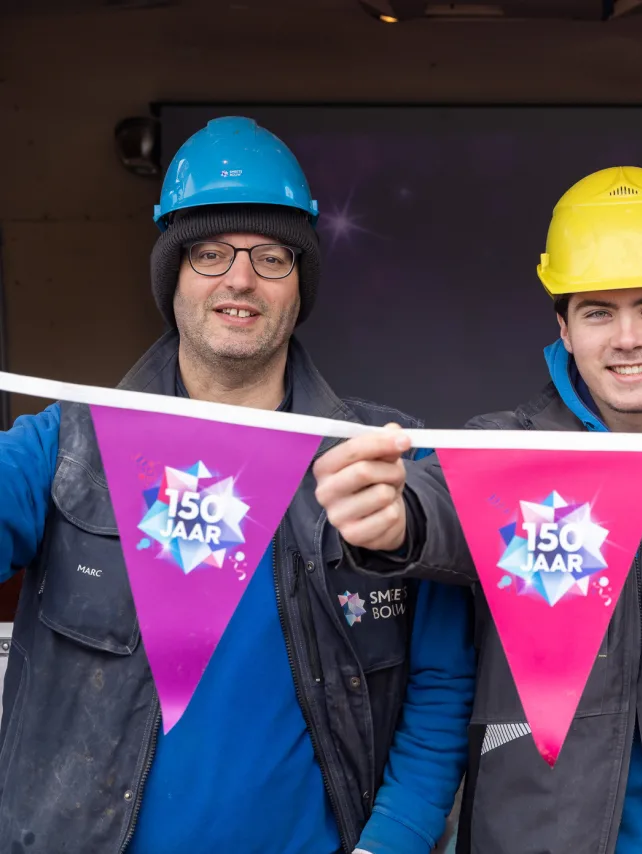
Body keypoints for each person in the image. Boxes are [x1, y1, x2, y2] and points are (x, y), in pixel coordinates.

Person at [312, 165, 642, 852]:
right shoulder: (507, 452)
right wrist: (390, 516)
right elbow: (432, 506)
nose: (627, 337)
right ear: (564, 327)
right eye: (597, 312)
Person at [0, 116, 473, 854]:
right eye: (210, 253)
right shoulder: (68, 449)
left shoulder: (387, 462)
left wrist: (393, 844)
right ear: (174, 275)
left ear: (300, 283)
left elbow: (440, 689)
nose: (240, 279)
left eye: (272, 258)